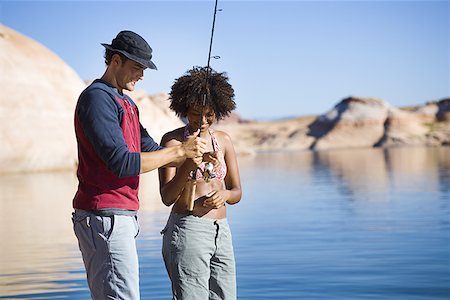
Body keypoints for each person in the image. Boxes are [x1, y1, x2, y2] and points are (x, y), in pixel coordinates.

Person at [71, 30, 207, 300]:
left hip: (120, 216)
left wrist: (189, 156)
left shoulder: (126, 103)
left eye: (144, 68)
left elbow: (152, 149)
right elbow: (122, 162)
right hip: (104, 216)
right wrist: (180, 151)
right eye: (137, 67)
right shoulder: (98, 98)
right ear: (116, 61)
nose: (142, 75)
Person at [159, 66, 242, 300]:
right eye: (195, 113)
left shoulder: (224, 141)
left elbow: (237, 192)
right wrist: (189, 164)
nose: (203, 120)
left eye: (209, 114)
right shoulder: (172, 142)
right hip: (188, 231)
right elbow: (167, 197)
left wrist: (224, 196)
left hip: (221, 232)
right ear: (184, 109)